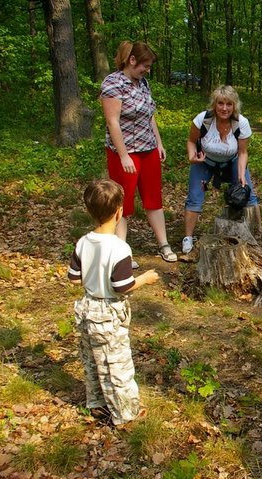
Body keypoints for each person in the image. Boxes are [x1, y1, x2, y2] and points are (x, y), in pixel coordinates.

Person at [68, 179, 160, 426]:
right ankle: (126, 413)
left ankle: (96, 403)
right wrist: (145, 278)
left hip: (86, 308)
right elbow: (123, 286)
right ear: (119, 212)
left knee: (92, 359)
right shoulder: (119, 248)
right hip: (108, 311)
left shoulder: (83, 242)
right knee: (117, 363)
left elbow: (74, 279)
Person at [100, 40, 177, 267]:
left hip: (148, 150)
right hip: (124, 152)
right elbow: (112, 122)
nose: (147, 70)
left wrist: (159, 143)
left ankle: (163, 244)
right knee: (123, 202)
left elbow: (149, 115)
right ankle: (122, 253)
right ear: (132, 60)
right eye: (145, 65)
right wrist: (123, 156)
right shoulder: (113, 84)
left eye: (149, 66)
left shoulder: (143, 83)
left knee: (154, 198)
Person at [182, 85, 260, 254]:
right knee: (195, 197)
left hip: (232, 160)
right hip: (204, 161)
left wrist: (241, 175)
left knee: (249, 194)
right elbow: (190, 141)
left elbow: (243, 152)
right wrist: (191, 156)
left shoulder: (241, 123)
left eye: (229, 104)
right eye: (221, 103)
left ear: (235, 106)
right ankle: (187, 238)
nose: (224, 108)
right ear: (214, 104)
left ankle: (257, 234)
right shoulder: (203, 120)